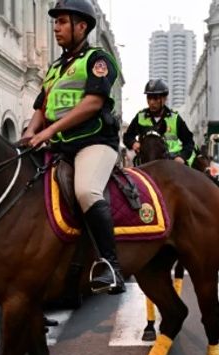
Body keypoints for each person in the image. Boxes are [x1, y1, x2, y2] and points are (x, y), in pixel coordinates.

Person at [21, 0, 125, 294]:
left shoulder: (98, 59)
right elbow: (41, 107)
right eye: (55, 22)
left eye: (62, 21)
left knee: (86, 191)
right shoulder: (55, 68)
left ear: (82, 26)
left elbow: (93, 102)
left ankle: (111, 265)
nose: (56, 27)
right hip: (60, 146)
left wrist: (49, 131)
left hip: (93, 143)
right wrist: (30, 133)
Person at [122, 79, 196, 165]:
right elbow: (128, 136)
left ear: (164, 99)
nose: (151, 102)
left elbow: (189, 142)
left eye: (155, 98)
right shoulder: (140, 117)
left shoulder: (175, 118)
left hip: (171, 163)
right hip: (146, 163)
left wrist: (182, 157)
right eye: (149, 98)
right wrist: (133, 143)